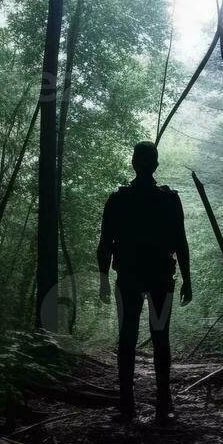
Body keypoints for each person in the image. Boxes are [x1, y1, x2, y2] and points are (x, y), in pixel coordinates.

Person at [97, 141, 192, 424]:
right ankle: (164, 405)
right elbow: (181, 243)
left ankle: (127, 404)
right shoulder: (169, 199)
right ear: (156, 164)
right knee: (160, 337)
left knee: (127, 337)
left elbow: (104, 245)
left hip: (129, 278)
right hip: (160, 278)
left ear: (134, 163)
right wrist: (187, 279)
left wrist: (104, 278)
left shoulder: (118, 199)